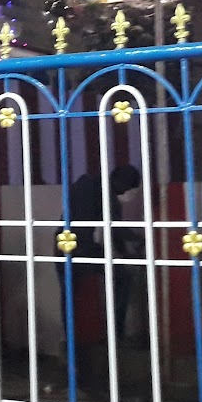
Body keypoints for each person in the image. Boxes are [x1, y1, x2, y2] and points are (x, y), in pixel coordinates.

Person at [66, 163, 144, 389]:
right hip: (80, 248)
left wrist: (125, 250)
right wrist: (139, 240)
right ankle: (114, 333)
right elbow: (115, 228)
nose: (123, 194)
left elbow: (111, 228)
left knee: (70, 302)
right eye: (125, 188)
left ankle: (77, 350)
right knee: (121, 278)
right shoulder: (105, 192)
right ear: (119, 181)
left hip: (64, 245)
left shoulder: (87, 184)